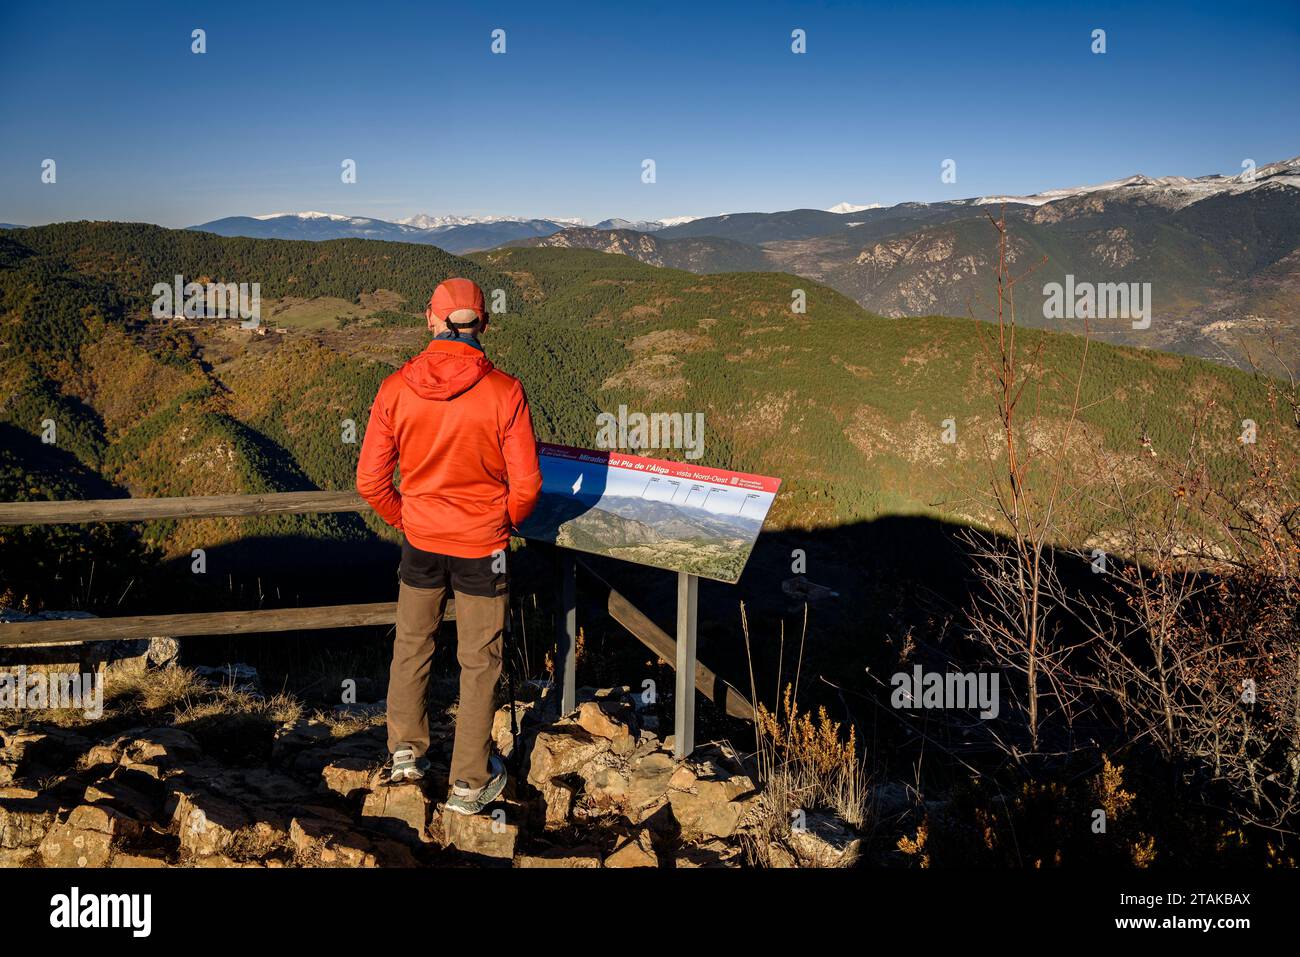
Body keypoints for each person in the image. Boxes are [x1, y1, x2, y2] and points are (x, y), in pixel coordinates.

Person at [356, 277, 542, 815]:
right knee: (480, 661)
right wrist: (496, 523)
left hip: (421, 542)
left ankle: (407, 756)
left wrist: (409, 519)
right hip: (484, 546)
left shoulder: (395, 388)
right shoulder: (505, 391)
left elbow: (371, 481)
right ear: (482, 323)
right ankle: (467, 782)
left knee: (413, 644)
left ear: (430, 320)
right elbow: (526, 486)